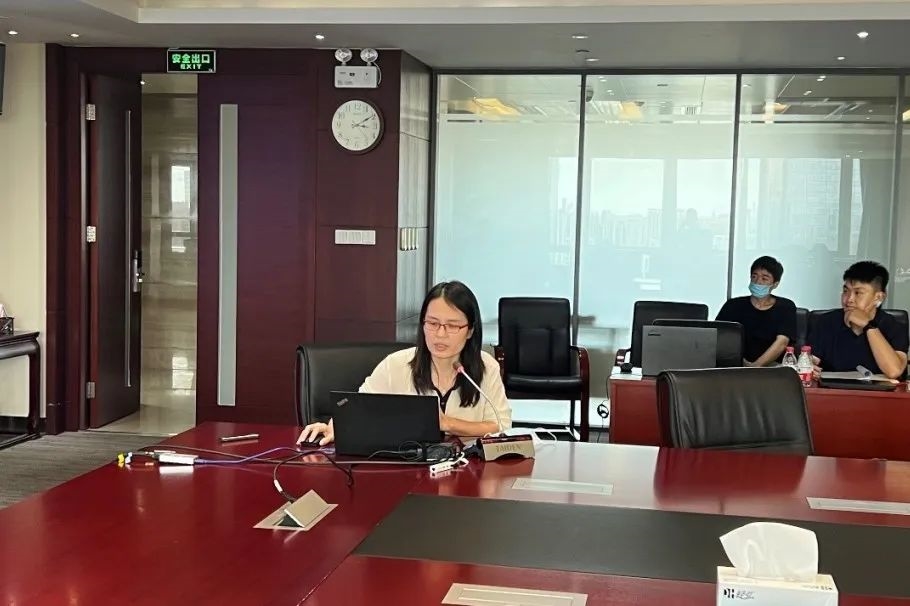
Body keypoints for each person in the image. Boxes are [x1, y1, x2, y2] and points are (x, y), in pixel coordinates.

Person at [297, 280, 512, 446]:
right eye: (433, 323)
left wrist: (447, 423)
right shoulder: (396, 365)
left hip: (467, 474)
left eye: (453, 326)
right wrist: (334, 427)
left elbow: (501, 426)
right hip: (407, 469)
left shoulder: (487, 367)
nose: (440, 334)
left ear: (470, 330)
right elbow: (357, 408)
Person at [809, 261, 908, 379]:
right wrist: (808, 365)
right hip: (834, 389)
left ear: (879, 297)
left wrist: (868, 326)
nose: (849, 299)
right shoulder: (826, 322)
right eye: (846, 291)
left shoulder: (894, 326)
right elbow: (811, 361)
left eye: (858, 293)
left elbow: (894, 371)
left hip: (879, 390)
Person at [716, 255, 797, 366]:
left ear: (775, 284)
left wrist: (755, 367)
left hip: (772, 366)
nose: (758, 281)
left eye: (764, 278)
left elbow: (782, 342)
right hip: (735, 365)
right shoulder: (733, 305)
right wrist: (739, 363)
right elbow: (718, 336)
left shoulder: (785, 307)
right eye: (754, 276)